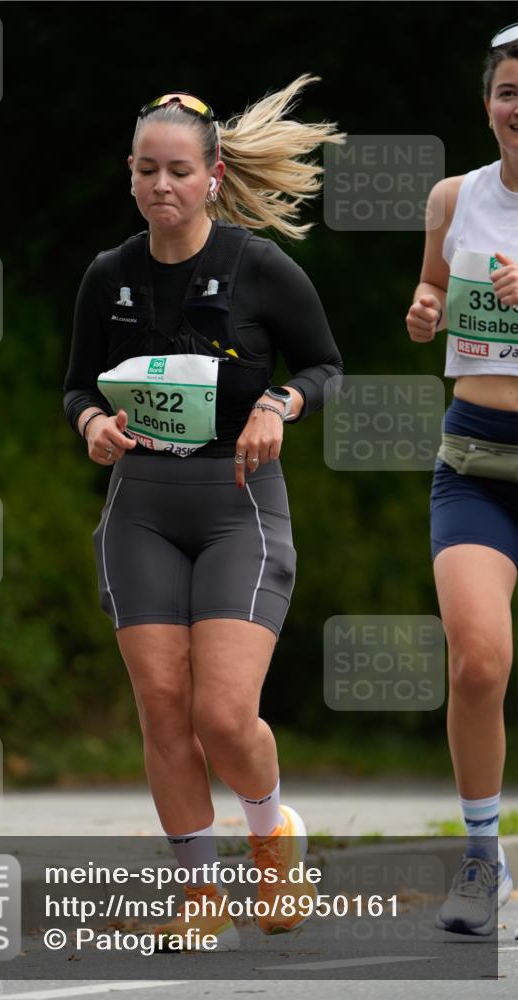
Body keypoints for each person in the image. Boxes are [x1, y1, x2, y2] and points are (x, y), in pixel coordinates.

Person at [63, 79, 343, 951]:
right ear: (130, 176)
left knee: (223, 714)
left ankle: (271, 839)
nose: (161, 186)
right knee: (160, 707)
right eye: (147, 170)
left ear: (213, 176)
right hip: (141, 507)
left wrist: (280, 406)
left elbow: (326, 365)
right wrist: (93, 425)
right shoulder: (109, 276)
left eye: (178, 171)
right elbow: (75, 383)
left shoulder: (259, 268)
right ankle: (199, 891)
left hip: (236, 506)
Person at [406, 23, 518, 938]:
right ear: (487, 101)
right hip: (475, 457)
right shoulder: (452, 196)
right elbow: (433, 295)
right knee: (477, 658)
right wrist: (425, 308)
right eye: (509, 89)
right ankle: (483, 858)